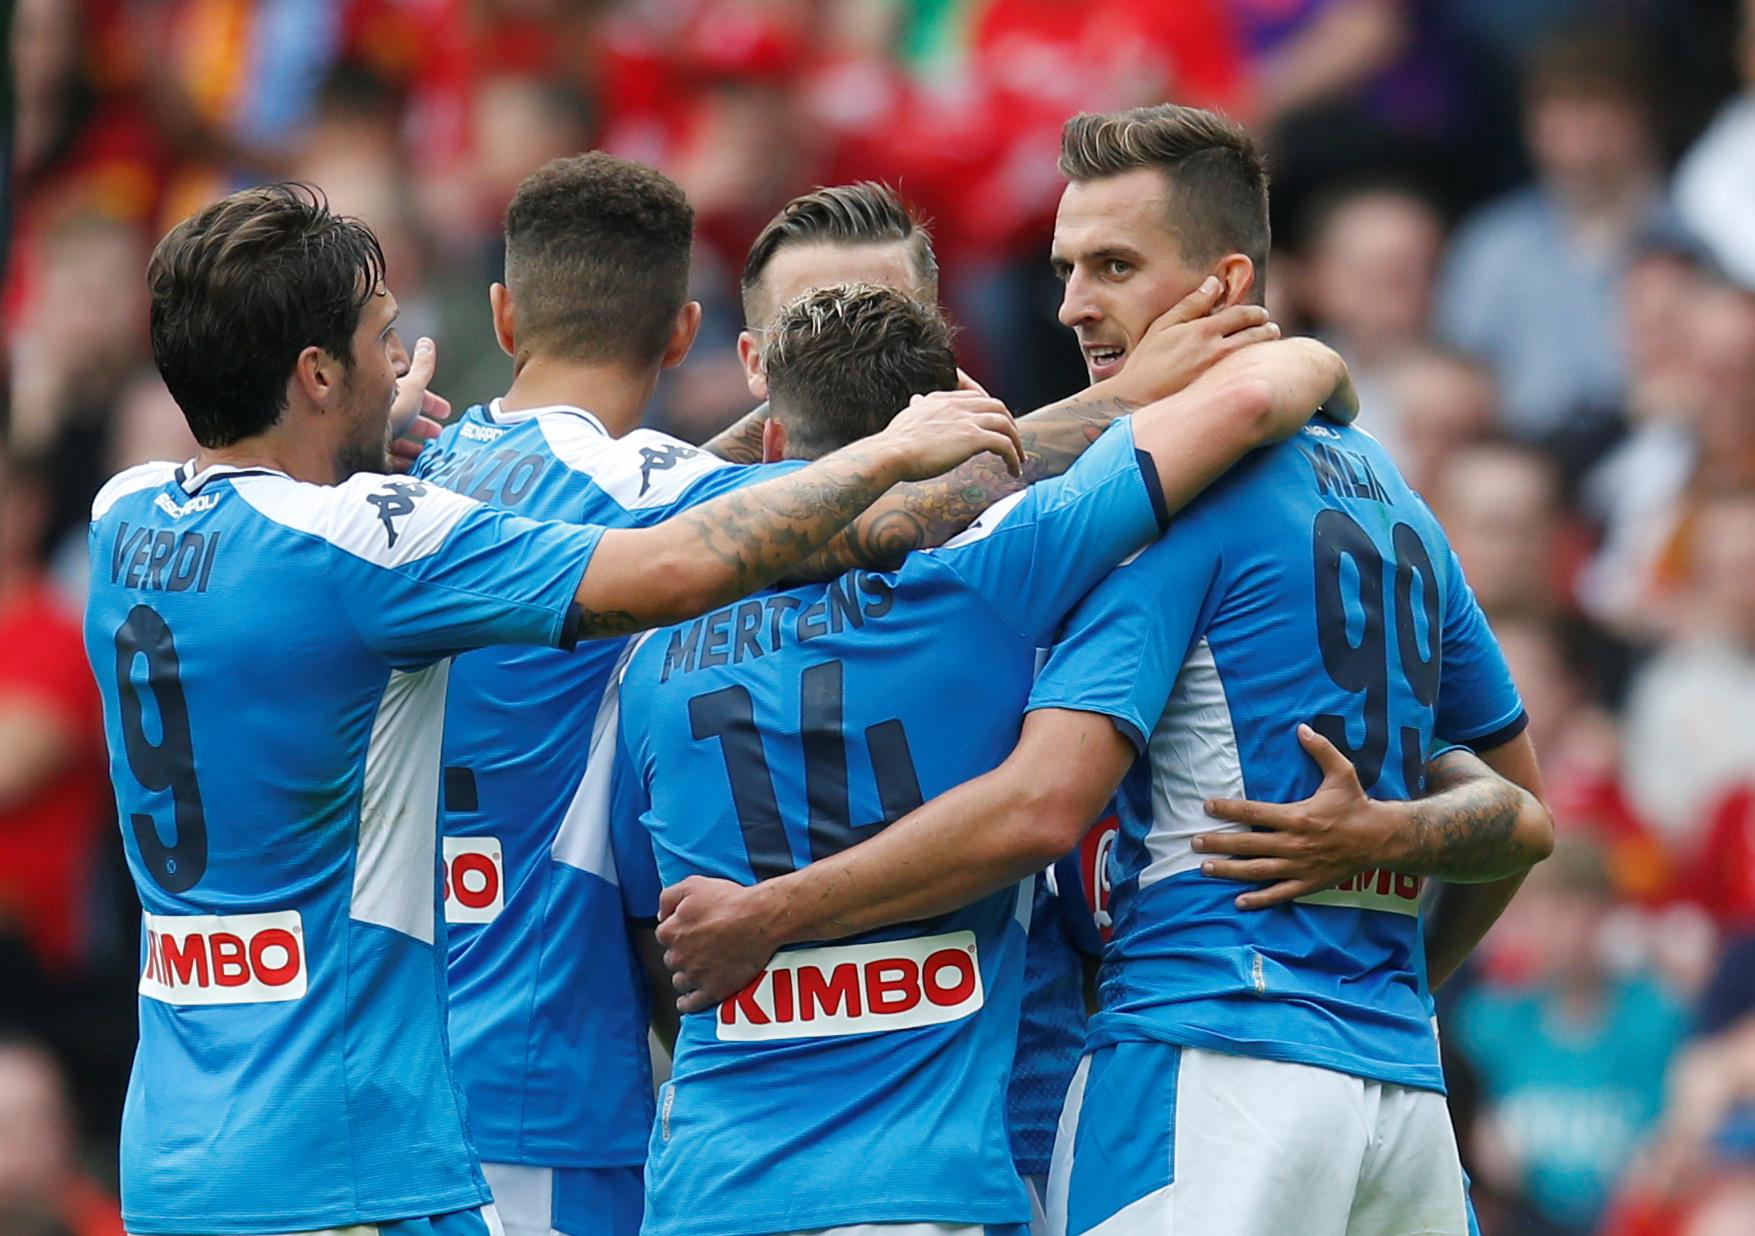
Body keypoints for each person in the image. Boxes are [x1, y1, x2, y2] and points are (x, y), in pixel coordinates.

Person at [656, 104, 1554, 1236]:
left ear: (1225, 283)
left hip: (1205, 1057)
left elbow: (1042, 803)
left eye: (1115, 265)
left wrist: (770, 914)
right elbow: (1519, 810)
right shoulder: (1394, 496)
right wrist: (1399, 927)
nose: (1076, 303)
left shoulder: (1163, 508)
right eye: (1067, 267)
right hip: (1393, 1090)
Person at [82, 182, 1022, 1236]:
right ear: (314, 375)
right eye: (384, 344)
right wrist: (895, 446)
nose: (404, 370)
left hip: (177, 1146)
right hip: (339, 1153)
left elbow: (288, 525)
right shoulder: (366, 543)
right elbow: (671, 564)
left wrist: (347, 444)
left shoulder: (125, 515)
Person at [418, 164, 1281, 1236]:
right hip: (817, 1147)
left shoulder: (585, 568)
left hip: (977, 1102)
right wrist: (1143, 397)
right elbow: (899, 509)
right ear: (724, 353)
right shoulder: (998, 565)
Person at [609, 280, 1354, 1236]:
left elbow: (649, 934)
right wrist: (1322, 360)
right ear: (948, 442)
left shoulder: (646, 650)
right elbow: (1244, 404)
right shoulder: (991, 576)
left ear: (769, 448)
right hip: (924, 1188)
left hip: (707, 1190)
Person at [713, 179, 1281, 1225]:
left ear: (946, 357)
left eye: (889, 331)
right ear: (755, 375)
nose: (860, 363)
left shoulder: (1052, 536)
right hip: (761, 1128)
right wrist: (1116, 407)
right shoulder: (675, 574)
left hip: (1022, 1083)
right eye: (818, 332)